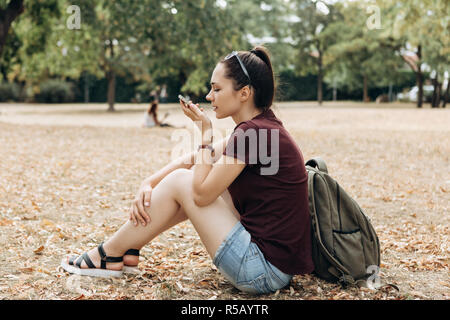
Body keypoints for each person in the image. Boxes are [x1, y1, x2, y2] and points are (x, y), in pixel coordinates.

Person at [61, 46, 314, 295]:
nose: (208, 96)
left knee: (185, 183)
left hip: (261, 271)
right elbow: (196, 158)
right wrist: (149, 181)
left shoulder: (252, 133)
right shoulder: (261, 126)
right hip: (274, 266)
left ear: (244, 93)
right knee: (192, 179)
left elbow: (201, 195)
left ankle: (107, 253)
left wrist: (205, 133)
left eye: (216, 89)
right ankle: (125, 249)